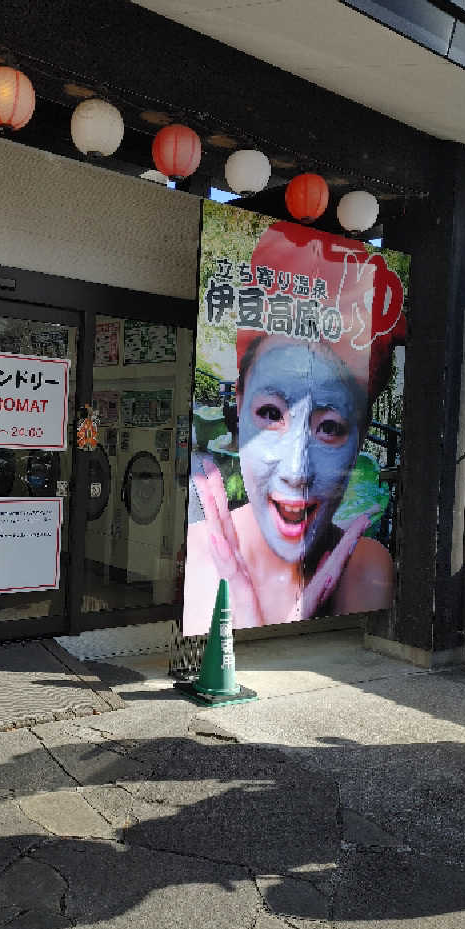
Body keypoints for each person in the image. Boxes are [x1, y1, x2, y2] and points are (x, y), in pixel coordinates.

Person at [183, 220, 406, 634]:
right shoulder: (202, 555)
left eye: (331, 428)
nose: (297, 471)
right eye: (270, 415)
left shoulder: (365, 566)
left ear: (359, 441)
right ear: (239, 404)